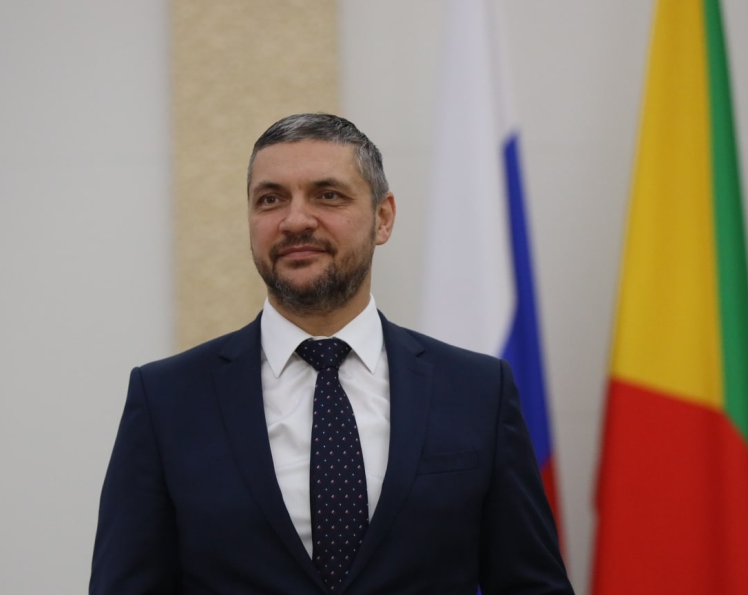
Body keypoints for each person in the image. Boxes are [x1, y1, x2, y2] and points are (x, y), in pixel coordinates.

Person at [90, 113, 573, 595]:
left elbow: (531, 585)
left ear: (383, 218)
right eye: (271, 199)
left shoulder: (478, 390)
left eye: (328, 195)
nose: (295, 220)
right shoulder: (166, 399)